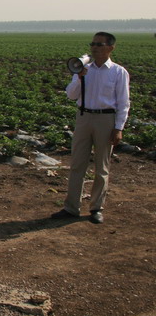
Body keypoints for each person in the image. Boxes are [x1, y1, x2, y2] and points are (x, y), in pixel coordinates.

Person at [52, 32, 130, 225]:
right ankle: (71, 207)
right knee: (77, 164)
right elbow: (71, 95)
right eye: (92, 44)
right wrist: (79, 78)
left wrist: (118, 127)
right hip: (84, 117)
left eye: (99, 44)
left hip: (106, 119)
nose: (94, 47)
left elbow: (123, 103)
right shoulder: (83, 69)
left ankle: (96, 208)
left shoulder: (118, 72)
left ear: (110, 48)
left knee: (101, 166)